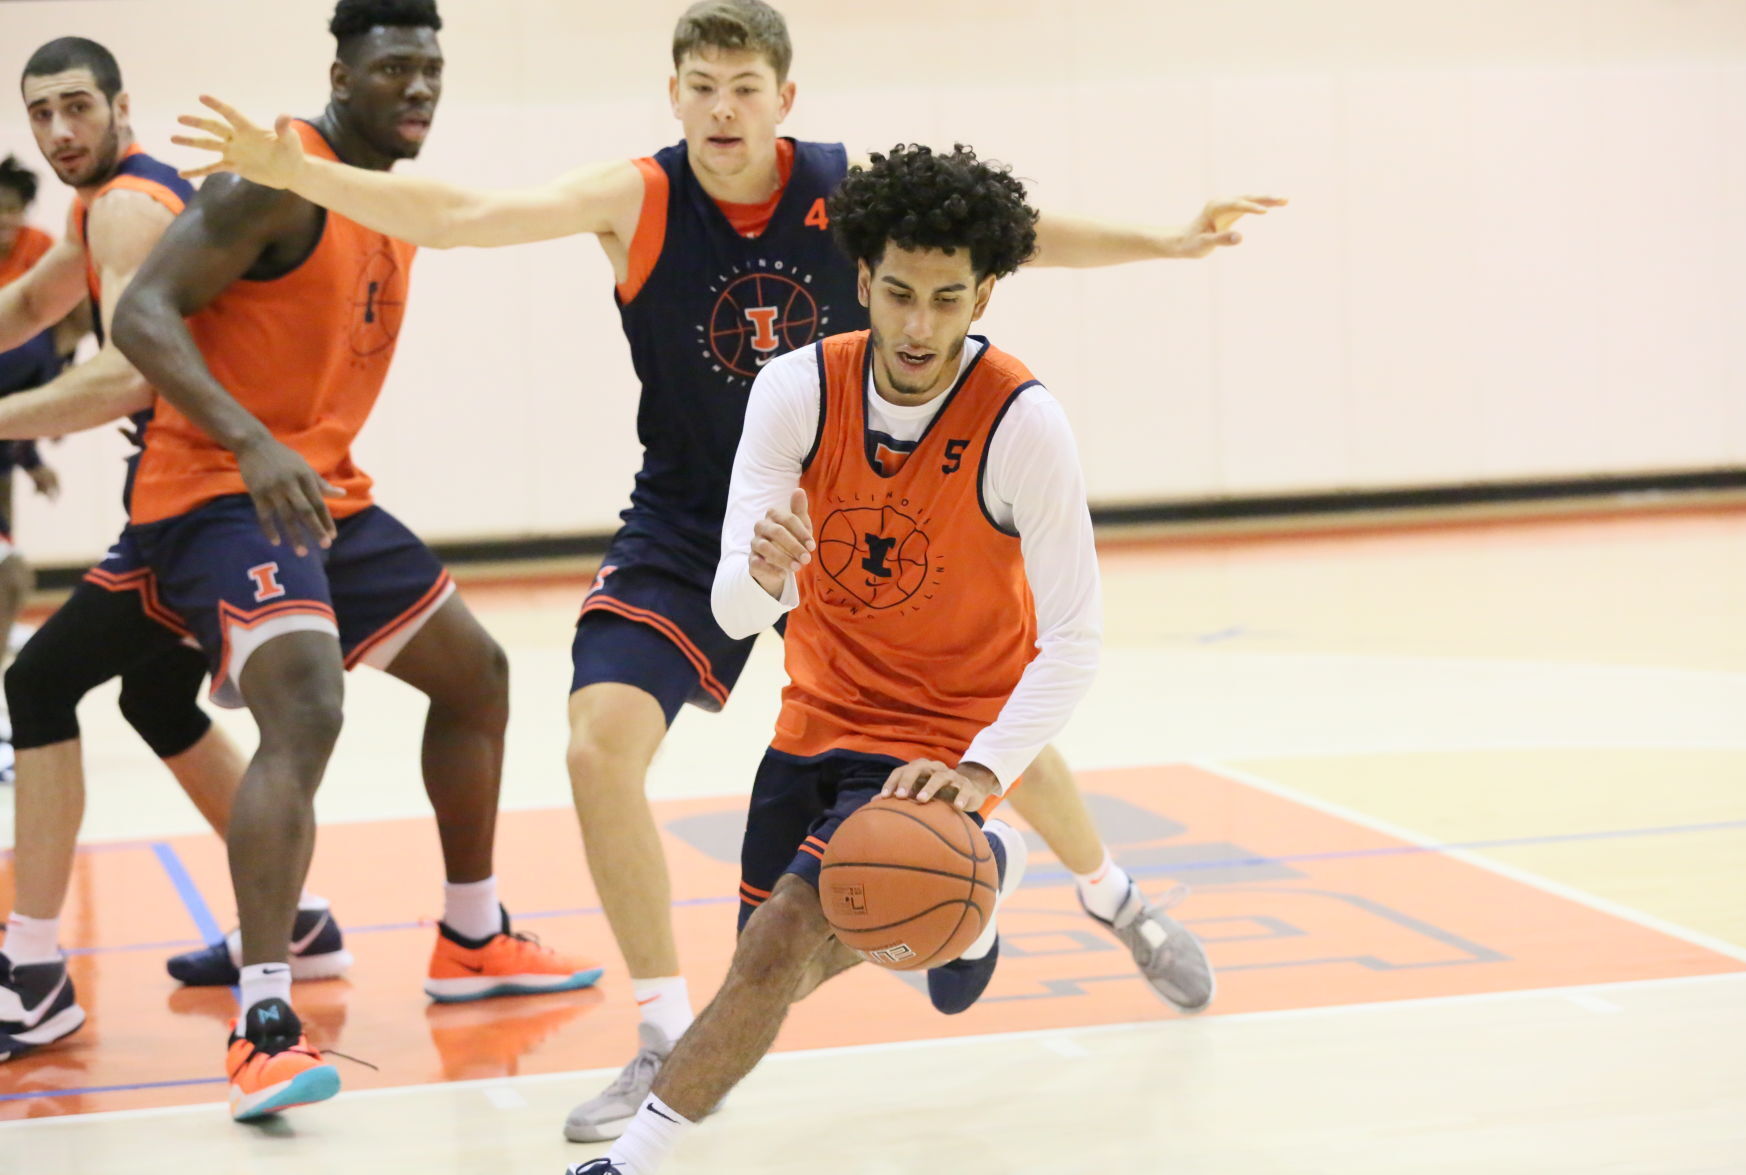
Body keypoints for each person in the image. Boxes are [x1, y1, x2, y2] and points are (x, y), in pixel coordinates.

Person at [175, 0, 1266, 1136]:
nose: (721, 106)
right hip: (694, 519)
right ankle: (660, 1036)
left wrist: (1166, 238)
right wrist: (298, 174)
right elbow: (459, 216)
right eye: (699, 84)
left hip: (851, 508)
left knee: (986, 723)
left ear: (783, 100)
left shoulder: (845, 192)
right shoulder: (639, 198)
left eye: (743, 84)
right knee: (598, 739)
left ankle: (1111, 897)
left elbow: (1012, 234)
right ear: (673, 95)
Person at [572, 141, 1108, 1175]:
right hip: (813, 720)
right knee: (767, 965)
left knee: (777, 944)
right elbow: (731, 602)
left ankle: (625, 1160)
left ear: (984, 292)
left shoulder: (1022, 423)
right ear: (860, 278)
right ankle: (975, 890)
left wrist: (983, 771)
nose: (917, 326)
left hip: (936, 738)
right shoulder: (796, 389)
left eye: (946, 299)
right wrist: (767, 574)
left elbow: (1074, 640)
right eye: (897, 293)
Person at [111, 0, 597, 1122]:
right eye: (393, 68)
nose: (417, 87)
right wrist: (246, 437)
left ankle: (472, 934)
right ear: (341, 71)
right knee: (309, 706)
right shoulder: (274, 177)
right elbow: (142, 313)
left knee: (476, 674)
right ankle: (263, 1019)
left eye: (431, 68)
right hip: (217, 491)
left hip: (317, 489)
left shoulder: (383, 195)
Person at [0, 37, 359, 1070]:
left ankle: (33, 971)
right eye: (42, 115)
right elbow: (31, 307)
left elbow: (123, 377)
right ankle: (299, 918)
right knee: (152, 699)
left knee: (40, 681)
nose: (61, 132)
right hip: (193, 489)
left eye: (78, 108)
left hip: (205, 493)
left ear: (120, 106)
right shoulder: (100, 199)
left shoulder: (126, 205)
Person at [0, 151, 65, 783]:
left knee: (7, 570)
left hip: (9, 433)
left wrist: (35, 447)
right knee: (10, 575)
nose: (5, 225)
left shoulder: (47, 252)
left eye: (13, 212)